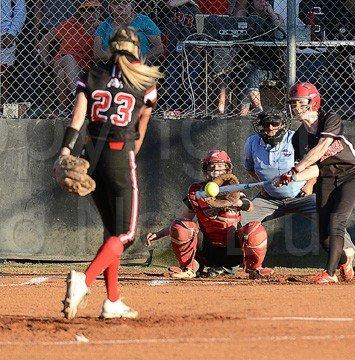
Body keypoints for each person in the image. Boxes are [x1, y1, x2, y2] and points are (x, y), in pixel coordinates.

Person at [59, 27, 163, 319]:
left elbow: (77, 119)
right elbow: (141, 129)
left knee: (111, 231)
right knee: (127, 234)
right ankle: (85, 280)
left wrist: (66, 152)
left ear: (111, 47)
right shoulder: (145, 79)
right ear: (136, 50)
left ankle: (113, 301)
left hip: (90, 154)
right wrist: (127, 157)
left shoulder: (92, 74)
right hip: (120, 153)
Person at [241, 108, 355, 275]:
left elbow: (315, 163)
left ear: (283, 125)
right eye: (266, 124)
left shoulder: (296, 138)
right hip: (270, 199)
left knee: (333, 223)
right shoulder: (252, 143)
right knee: (239, 220)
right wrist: (263, 188)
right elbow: (250, 168)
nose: (270, 128)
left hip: (301, 195)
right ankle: (235, 265)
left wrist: (309, 184)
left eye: (275, 123)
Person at [276, 82, 355, 284]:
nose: (296, 107)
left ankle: (330, 273)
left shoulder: (330, 119)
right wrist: (290, 177)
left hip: (348, 176)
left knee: (337, 223)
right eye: (293, 103)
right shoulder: (297, 137)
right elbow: (316, 168)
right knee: (325, 237)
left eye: (301, 103)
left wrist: (295, 170)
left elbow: (321, 149)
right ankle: (346, 258)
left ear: (313, 102)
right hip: (325, 179)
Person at [146, 150, 273, 279]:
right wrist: (159, 234)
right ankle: (188, 268)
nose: (216, 172)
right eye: (211, 168)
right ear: (205, 171)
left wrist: (237, 202)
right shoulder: (196, 192)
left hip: (233, 251)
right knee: (182, 226)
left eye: (220, 168)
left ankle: (254, 269)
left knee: (255, 229)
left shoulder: (234, 190)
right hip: (207, 250)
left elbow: (250, 207)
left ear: (228, 170)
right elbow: (181, 221)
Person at [38, 0, 102, 116]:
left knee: (62, 74)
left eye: (94, 10)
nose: (91, 14)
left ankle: (64, 111)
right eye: (87, 10)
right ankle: (78, 95)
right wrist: (45, 63)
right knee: (68, 58)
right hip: (61, 60)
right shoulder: (69, 24)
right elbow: (44, 41)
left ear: (99, 12)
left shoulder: (101, 29)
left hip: (85, 67)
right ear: (81, 13)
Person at [233, 0, 284, 116]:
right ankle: (243, 112)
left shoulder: (275, 17)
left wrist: (271, 13)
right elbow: (234, 23)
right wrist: (243, 7)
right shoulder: (245, 14)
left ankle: (258, 109)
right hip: (247, 60)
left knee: (253, 74)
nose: (262, 1)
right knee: (245, 72)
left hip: (269, 63)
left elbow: (280, 30)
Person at [157, 0, 202, 119]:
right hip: (173, 49)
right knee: (173, 79)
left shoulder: (195, 8)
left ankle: (190, 108)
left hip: (191, 50)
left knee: (191, 79)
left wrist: (199, 42)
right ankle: (173, 108)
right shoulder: (172, 6)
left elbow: (202, 27)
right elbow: (169, 5)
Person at [94, 0, 163, 63]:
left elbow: (158, 48)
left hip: (140, 65)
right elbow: (97, 54)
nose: (120, 5)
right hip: (111, 65)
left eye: (125, 2)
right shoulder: (104, 26)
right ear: (110, 8)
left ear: (132, 6)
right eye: (115, 3)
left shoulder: (144, 21)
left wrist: (140, 60)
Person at [0, 0, 26, 107]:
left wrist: (12, 32)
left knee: (2, 74)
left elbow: (21, 7)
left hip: (3, 32)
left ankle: (1, 107)